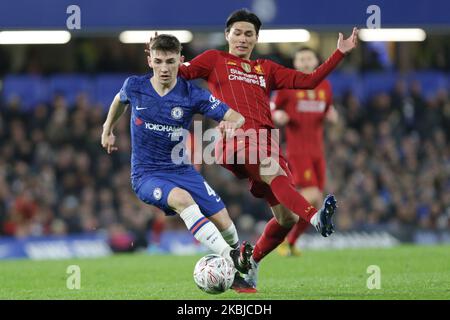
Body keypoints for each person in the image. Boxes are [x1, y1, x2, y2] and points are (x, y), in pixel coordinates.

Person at [174, 9, 358, 288]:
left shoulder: (266, 69)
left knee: (286, 218)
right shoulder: (214, 59)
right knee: (275, 175)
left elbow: (308, 81)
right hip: (233, 139)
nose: (243, 39)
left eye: (249, 34)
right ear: (227, 35)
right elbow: (180, 75)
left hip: (265, 142)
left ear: (256, 38)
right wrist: (161, 58)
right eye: (237, 33)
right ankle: (316, 217)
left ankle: (250, 267)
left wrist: (339, 53)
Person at [101, 34, 255, 293]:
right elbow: (119, 99)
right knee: (183, 200)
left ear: (181, 61)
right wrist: (108, 128)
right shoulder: (135, 86)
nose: (164, 68)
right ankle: (231, 260)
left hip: (180, 169)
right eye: (158, 61)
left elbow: (235, 116)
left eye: (170, 61)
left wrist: (230, 123)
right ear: (149, 60)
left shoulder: (192, 94)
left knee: (225, 222)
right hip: (147, 175)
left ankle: (237, 265)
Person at [271, 47, 339, 257]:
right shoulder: (288, 87)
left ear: (316, 60)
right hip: (298, 151)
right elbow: (271, 107)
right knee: (312, 196)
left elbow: (327, 109)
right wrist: (278, 114)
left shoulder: (325, 86)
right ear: (295, 63)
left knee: (317, 202)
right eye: (301, 59)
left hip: (318, 152)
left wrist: (331, 115)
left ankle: (290, 242)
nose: (305, 62)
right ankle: (280, 233)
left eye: (309, 58)